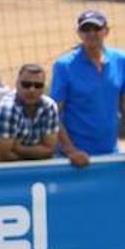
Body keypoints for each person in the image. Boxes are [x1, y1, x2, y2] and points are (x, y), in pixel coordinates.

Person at [51, 9, 125, 168]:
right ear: (79, 33)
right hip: (75, 160)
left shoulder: (120, 61)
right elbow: (53, 114)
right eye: (86, 29)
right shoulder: (64, 66)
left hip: (110, 154)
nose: (91, 33)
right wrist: (71, 151)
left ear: (106, 31)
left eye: (96, 28)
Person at [0, 64, 59, 163]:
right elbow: (0, 156)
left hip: (26, 167)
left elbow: (49, 150)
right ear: (17, 84)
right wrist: (35, 154)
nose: (32, 90)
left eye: (38, 85)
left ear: (43, 87)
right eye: (26, 85)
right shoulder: (7, 110)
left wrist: (17, 148)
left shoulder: (49, 107)